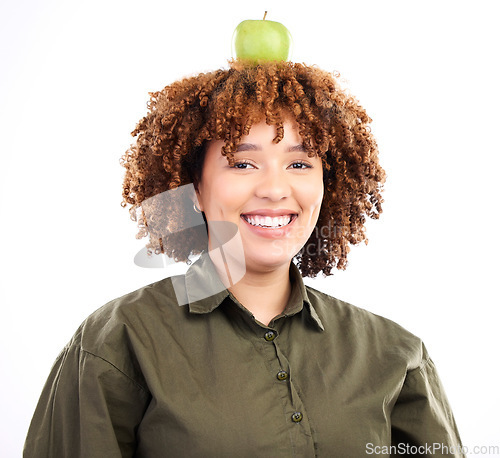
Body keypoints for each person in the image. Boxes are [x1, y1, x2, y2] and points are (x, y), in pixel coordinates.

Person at [24, 59, 465, 457]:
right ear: (194, 187)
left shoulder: (395, 354)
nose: (274, 189)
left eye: (299, 164)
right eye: (242, 164)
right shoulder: (118, 343)